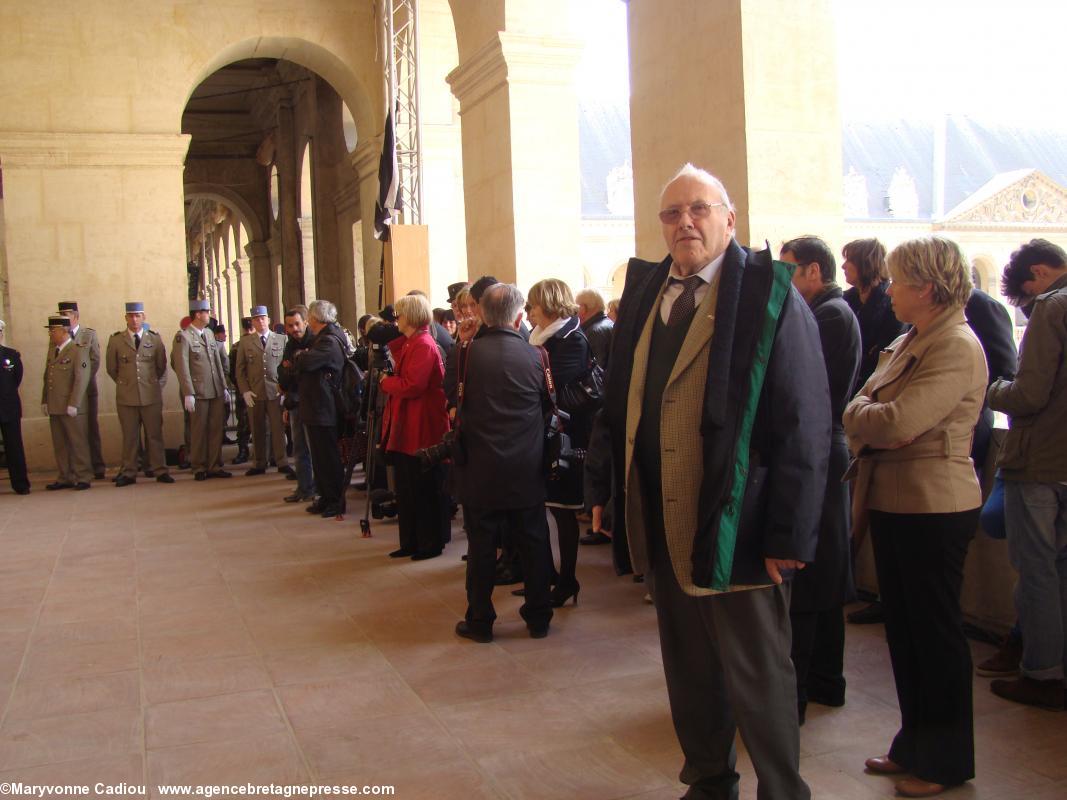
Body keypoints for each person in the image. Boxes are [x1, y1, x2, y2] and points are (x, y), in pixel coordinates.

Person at [598, 164, 829, 799]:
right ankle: (707, 780)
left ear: (730, 218)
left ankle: (782, 790)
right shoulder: (646, 293)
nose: (685, 223)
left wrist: (789, 534)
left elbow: (804, 425)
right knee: (690, 670)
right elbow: (621, 405)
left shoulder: (771, 295)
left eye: (699, 209)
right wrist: (605, 491)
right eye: (672, 214)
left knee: (758, 674)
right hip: (665, 520)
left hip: (741, 525)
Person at [843, 236, 987, 797]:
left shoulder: (955, 344)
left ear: (926, 288)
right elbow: (861, 404)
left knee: (935, 636)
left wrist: (861, 415)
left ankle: (946, 760)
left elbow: (897, 422)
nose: (891, 289)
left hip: (934, 504)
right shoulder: (913, 338)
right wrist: (863, 414)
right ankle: (914, 744)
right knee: (903, 634)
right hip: (896, 499)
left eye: (900, 281)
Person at [780, 236, 861, 724]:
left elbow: (809, 388)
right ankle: (827, 681)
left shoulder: (828, 315)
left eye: (790, 271)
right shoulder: (829, 311)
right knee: (824, 572)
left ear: (813, 271)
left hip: (821, 448)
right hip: (823, 444)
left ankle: (800, 693)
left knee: (812, 575)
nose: (785, 282)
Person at [986, 238, 1067, 711]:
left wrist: (993, 388)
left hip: (1041, 463)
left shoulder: (1052, 308)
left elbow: (1030, 393)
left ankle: (1041, 673)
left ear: (1037, 273)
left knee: (1037, 572)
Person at [453, 283, 554, 641]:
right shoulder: (536, 356)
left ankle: (480, 621)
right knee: (534, 542)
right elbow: (548, 410)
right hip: (526, 467)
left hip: (480, 469)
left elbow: (453, 404)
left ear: (480, 313)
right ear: (519, 317)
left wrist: (462, 343)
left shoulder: (466, 354)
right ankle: (539, 617)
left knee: (481, 547)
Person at [839, 239, 906, 626]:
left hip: (871, 418)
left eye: (849, 261)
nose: (845, 267)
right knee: (857, 509)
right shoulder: (851, 301)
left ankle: (874, 592)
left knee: (867, 510)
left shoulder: (886, 304)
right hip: (856, 411)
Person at [528, 277, 594, 607]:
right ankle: (550, 576)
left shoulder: (572, 340)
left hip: (566, 436)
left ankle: (567, 578)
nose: (529, 311)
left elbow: (549, 387)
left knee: (564, 512)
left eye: (534, 304)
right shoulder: (540, 337)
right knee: (548, 508)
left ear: (550, 304)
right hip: (542, 432)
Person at [378, 293, 451, 560]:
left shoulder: (423, 344)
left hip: (422, 424)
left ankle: (429, 542)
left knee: (423, 488)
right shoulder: (411, 343)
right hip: (410, 422)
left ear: (411, 316)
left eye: (400, 314)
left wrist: (385, 382)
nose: (396, 319)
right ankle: (410, 540)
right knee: (408, 487)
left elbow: (413, 385)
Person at [104, 301, 173, 486]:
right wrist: (127, 383)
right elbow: (111, 368)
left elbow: (161, 366)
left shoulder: (155, 339)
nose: (134, 319)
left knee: (155, 435)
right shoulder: (116, 340)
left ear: (144, 317)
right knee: (130, 437)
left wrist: (150, 384)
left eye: (138, 315)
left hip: (151, 395)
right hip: (127, 396)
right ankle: (128, 472)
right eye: (131, 316)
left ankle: (160, 470)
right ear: (126, 318)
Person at [294, 299, 348, 518]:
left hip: (324, 408)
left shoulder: (328, 340)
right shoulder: (324, 337)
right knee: (319, 457)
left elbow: (305, 363)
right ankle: (325, 497)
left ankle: (335, 500)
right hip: (317, 407)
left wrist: (300, 356)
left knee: (329, 458)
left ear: (315, 319)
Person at [171, 298, 231, 481]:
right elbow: (181, 366)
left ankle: (213, 465)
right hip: (198, 391)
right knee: (198, 430)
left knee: (215, 429)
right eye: (207, 311)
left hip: (215, 389)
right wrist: (188, 392)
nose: (210, 314)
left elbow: (217, 364)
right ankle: (198, 466)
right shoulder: (183, 336)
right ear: (198, 314)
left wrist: (224, 386)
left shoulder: (210, 334)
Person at [235, 306, 290, 476]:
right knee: (257, 428)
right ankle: (259, 462)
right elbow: (240, 369)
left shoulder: (281, 339)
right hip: (255, 391)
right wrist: (244, 390)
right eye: (257, 319)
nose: (260, 321)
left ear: (269, 320)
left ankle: (281, 461)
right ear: (252, 322)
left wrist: (286, 389)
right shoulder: (245, 342)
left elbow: (287, 367)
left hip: (275, 391)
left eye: (263, 318)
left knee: (278, 428)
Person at [42, 315, 93, 490]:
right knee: (60, 444)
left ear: (64, 331)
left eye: (53, 330)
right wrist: (44, 400)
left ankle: (83, 476)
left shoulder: (78, 350)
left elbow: (81, 378)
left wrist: (75, 403)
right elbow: (47, 378)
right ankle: (65, 476)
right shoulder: (53, 351)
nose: (50, 334)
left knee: (77, 442)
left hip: (71, 406)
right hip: (55, 405)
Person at [57, 301, 105, 479]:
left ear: (76, 316)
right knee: (70, 432)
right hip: (64, 392)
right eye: (61, 313)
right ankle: (72, 469)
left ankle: (97, 466)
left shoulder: (88, 335)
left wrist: (81, 382)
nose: (63, 317)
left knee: (90, 428)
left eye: (66, 314)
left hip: (86, 390)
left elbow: (95, 361)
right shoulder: (57, 336)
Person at [278, 305, 316, 504]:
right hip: (294, 402)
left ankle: (319, 488)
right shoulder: (290, 345)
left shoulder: (315, 340)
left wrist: (292, 368)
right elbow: (283, 375)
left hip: (312, 402)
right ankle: (304, 488)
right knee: (299, 448)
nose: (294, 329)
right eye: (290, 326)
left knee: (314, 448)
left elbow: (306, 371)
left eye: (297, 324)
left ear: (306, 322)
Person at [0, 320, 30, 494]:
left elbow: (16, 378)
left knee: (14, 447)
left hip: (9, 407)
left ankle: (20, 484)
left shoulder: (11, 356)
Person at [229, 317, 253, 464]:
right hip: (243, 391)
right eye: (248, 329)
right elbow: (233, 371)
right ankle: (243, 450)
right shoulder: (237, 347)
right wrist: (241, 388)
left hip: (260, 389)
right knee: (243, 423)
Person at [575, 287, 614, 368]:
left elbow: (594, 372)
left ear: (583, 308)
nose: (575, 312)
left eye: (576, 307)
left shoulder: (593, 332)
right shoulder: (609, 323)